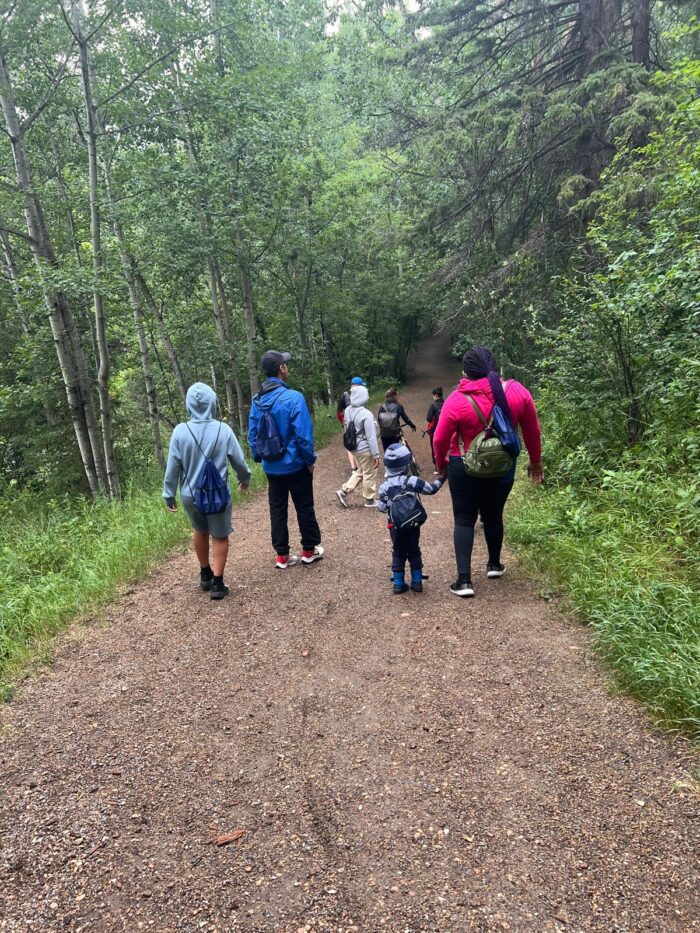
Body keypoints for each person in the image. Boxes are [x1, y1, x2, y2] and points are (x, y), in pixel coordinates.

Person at [433, 347, 543, 598]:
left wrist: (441, 465)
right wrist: (535, 462)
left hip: (463, 465)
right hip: (502, 467)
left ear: (465, 373)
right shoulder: (517, 392)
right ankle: (494, 564)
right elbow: (531, 431)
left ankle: (464, 581)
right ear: (493, 367)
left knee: (464, 518)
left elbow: (440, 438)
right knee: (494, 515)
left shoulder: (457, 399)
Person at [163, 382, 252, 600]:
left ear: (189, 405)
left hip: (190, 496)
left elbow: (173, 466)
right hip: (218, 496)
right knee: (220, 535)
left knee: (199, 530)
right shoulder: (224, 429)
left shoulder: (180, 431)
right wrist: (245, 479)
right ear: (212, 403)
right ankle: (218, 584)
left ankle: (205, 574)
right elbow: (239, 462)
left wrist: (169, 493)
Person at [248, 350, 324, 569]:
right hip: (296, 466)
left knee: (277, 509)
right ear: (281, 369)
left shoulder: (257, 400)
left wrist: (260, 457)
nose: (287, 367)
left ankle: (282, 555)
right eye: (286, 364)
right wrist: (309, 460)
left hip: (272, 468)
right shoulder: (294, 398)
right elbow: (303, 436)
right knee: (304, 506)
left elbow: (252, 434)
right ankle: (309, 550)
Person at [377, 442, 444, 594]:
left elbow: (381, 507)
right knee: (414, 549)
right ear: (407, 464)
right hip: (413, 523)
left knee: (398, 551)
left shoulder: (385, 486)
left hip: (395, 526)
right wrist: (441, 479)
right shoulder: (412, 481)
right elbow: (430, 489)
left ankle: (399, 583)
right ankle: (417, 582)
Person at [336, 382, 380, 508]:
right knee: (369, 473)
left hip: (353, 447)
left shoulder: (348, 410)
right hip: (365, 449)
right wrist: (376, 455)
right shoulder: (366, 414)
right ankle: (370, 500)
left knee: (361, 470)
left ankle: (343, 491)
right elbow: (371, 437)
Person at [337, 377, 365, 473]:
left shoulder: (344, 395)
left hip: (348, 423)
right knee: (359, 441)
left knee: (350, 442)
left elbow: (339, 411)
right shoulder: (361, 396)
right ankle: (356, 467)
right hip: (356, 423)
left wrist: (343, 422)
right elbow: (339, 412)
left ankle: (355, 467)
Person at [377, 387, 416, 452]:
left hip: (384, 434)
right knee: (395, 451)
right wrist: (412, 426)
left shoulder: (382, 407)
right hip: (394, 434)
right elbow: (406, 419)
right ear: (394, 396)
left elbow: (379, 420)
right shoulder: (398, 406)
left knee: (387, 452)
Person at [424, 386, 444, 473]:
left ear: (435, 395)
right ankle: (446, 465)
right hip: (446, 429)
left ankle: (437, 467)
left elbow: (428, 418)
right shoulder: (446, 403)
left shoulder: (433, 405)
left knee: (435, 448)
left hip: (435, 430)